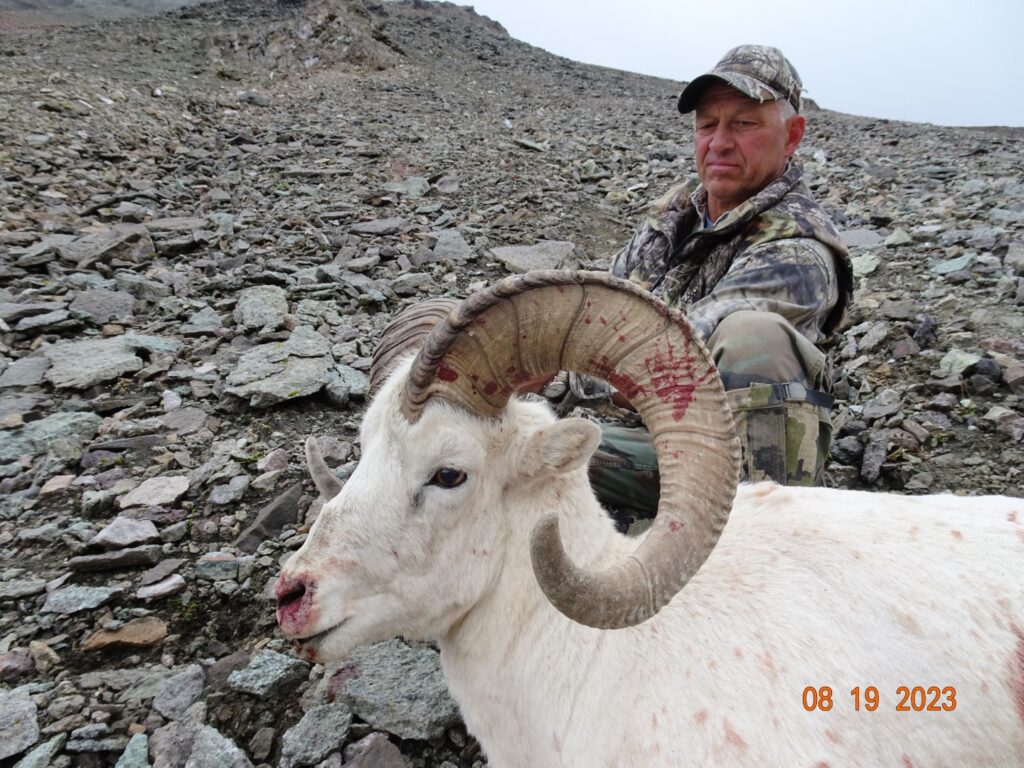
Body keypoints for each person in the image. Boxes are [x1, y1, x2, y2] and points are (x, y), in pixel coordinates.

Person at [576, 44, 853, 520]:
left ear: (791, 137)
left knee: (532, 464)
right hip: (634, 425)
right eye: (708, 125)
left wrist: (557, 372)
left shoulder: (800, 252)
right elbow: (603, 307)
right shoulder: (677, 214)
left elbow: (679, 352)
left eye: (744, 124)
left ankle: (754, 547)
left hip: (724, 461)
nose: (719, 142)